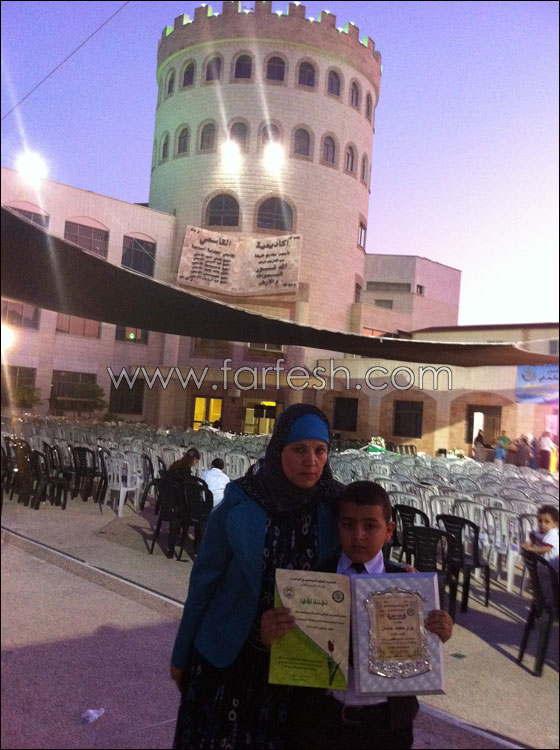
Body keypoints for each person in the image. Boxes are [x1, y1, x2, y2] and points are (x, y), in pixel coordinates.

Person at [170, 404, 343, 749]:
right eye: (299, 450)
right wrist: (181, 654)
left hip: (297, 672)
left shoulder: (336, 507)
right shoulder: (242, 501)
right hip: (229, 664)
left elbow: (363, 555)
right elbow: (204, 583)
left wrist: (399, 578)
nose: (311, 462)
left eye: (320, 450)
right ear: (279, 449)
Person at [277, 481, 453, 750]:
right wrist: (276, 635)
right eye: (348, 525)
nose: (358, 535)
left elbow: (425, 645)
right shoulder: (312, 581)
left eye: (370, 526)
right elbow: (293, 647)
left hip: (386, 723)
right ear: (338, 526)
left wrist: (440, 629)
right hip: (322, 719)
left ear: (389, 531)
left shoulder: (410, 584)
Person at [522, 504, 559, 572]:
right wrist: (528, 544)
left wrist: (531, 548)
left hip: (552, 565)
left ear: (555, 524)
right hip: (543, 563)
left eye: (547, 522)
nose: (542, 524)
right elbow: (533, 538)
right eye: (540, 521)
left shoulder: (552, 533)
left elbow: (547, 548)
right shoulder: (540, 531)